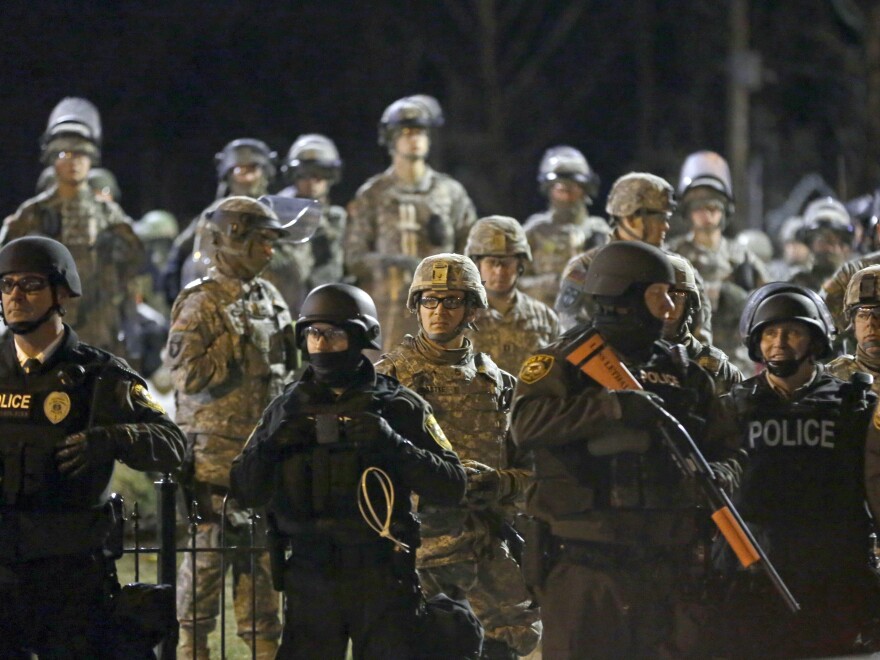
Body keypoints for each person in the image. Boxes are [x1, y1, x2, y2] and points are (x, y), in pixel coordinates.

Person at [230, 283, 467, 658]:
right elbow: (243, 490)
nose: (320, 345)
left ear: (359, 337)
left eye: (333, 334)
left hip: (381, 573)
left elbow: (452, 485)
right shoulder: (285, 408)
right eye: (313, 334)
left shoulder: (399, 405)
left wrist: (392, 444)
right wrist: (274, 444)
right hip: (310, 574)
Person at [511, 241, 722, 659]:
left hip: (666, 562)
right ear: (623, 297)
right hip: (587, 563)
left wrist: (723, 473)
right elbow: (525, 427)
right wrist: (609, 407)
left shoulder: (684, 373)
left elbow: (726, 446)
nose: (668, 308)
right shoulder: (563, 363)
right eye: (657, 293)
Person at [0, 236, 185, 657]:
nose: (15, 295)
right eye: (7, 284)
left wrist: (113, 439)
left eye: (29, 284)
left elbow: (172, 442)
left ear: (61, 292)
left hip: (70, 574)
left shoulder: (100, 375)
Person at [375, 253, 541, 659]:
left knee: (507, 643)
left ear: (471, 308)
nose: (439, 311)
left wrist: (498, 483)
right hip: (417, 553)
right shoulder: (387, 381)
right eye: (430, 300)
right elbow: (367, 475)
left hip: (485, 548)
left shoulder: (499, 384)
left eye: (451, 301)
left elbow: (532, 472)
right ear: (416, 306)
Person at [709, 283, 880, 657]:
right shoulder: (732, 407)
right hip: (751, 576)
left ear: (814, 340)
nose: (779, 342)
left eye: (792, 332)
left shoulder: (855, 406)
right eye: (770, 332)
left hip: (832, 575)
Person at [167, 196, 299, 657]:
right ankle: (191, 648)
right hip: (213, 461)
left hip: (263, 455)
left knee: (262, 572)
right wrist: (240, 342)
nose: (270, 252)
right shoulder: (201, 301)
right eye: (262, 241)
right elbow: (187, 375)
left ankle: (263, 648)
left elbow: (289, 374)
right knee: (205, 566)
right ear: (235, 238)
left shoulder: (272, 298)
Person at [1, 97, 145, 362]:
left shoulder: (108, 213)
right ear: (51, 159)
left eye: (80, 154)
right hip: (46, 320)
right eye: (64, 154)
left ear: (91, 160)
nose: (73, 162)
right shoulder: (34, 212)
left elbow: (133, 261)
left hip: (100, 322)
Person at [345, 94, 478, 352]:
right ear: (391, 140)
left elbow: (472, 251)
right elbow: (354, 257)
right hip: (387, 311)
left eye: (420, 132)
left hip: (443, 312)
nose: (414, 139)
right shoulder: (373, 194)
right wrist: (394, 263)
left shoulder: (449, 192)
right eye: (406, 132)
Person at [555, 172, 713, 344]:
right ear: (630, 218)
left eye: (667, 218)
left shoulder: (681, 270)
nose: (666, 226)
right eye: (659, 218)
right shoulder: (586, 267)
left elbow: (700, 341)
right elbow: (573, 334)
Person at [668, 151, 768, 369]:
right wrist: (719, 293)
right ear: (688, 212)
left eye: (713, 208)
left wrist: (745, 300)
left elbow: (767, 301)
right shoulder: (673, 253)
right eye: (699, 208)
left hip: (735, 360)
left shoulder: (741, 255)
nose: (707, 215)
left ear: (724, 212)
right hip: (686, 356)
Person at [162, 138, 279, 306]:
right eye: (240, 170)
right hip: (225, 300)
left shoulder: (278, 210)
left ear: (265, 172)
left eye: (252, 169)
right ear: (229, 175)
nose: (247, 177)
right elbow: (185, 253)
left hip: (270, 299)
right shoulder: (217, 213)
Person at [464, 215, 558, 375]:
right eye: (492, 262)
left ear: (520, 265)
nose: (499, 271)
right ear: (477, 264)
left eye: (507, 263)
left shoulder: (543, 318)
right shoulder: (457, 316)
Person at [519, 146, 610, 307]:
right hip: (543, 314)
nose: (567, 196)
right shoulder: (534, 231)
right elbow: (511, 279)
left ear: (584, 191)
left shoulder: (600, 232)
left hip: (587, 316)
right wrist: (545, 285)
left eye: (573, 189)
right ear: (549, 190)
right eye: (561, 189)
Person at [663, 253, 745, 392]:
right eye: (657, 295)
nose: (668, 305)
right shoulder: (623, 361)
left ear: (690, 303)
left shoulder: (717, 369)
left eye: (677, 296)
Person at [278, 133, 348, 287]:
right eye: (304, 175)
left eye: (319, 175)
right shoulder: (277, 212)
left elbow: (337, 266)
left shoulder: (336, 218)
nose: (311, 183)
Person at [826, 265, 880, 392]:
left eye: (879, 314)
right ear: (853, 323)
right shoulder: (833, 377)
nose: (870, 323)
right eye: (862, 315)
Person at [788, 196, 854, 292]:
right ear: (809, 243)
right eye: (823, 240)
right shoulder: (797, 284)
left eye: (835, 241)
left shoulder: (855, 284)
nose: (830, 249)